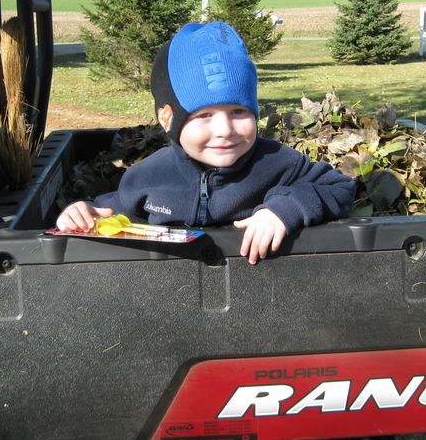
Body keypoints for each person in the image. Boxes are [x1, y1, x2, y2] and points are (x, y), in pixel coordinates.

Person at [56, 21, 355, 264]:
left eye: (238, 111)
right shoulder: (148, 176)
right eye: (204, 115)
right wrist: (87, 215)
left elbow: (340, 187)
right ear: (168, 120)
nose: (224, 129)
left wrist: (282, 210)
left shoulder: (277, 162)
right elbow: (117, 213)